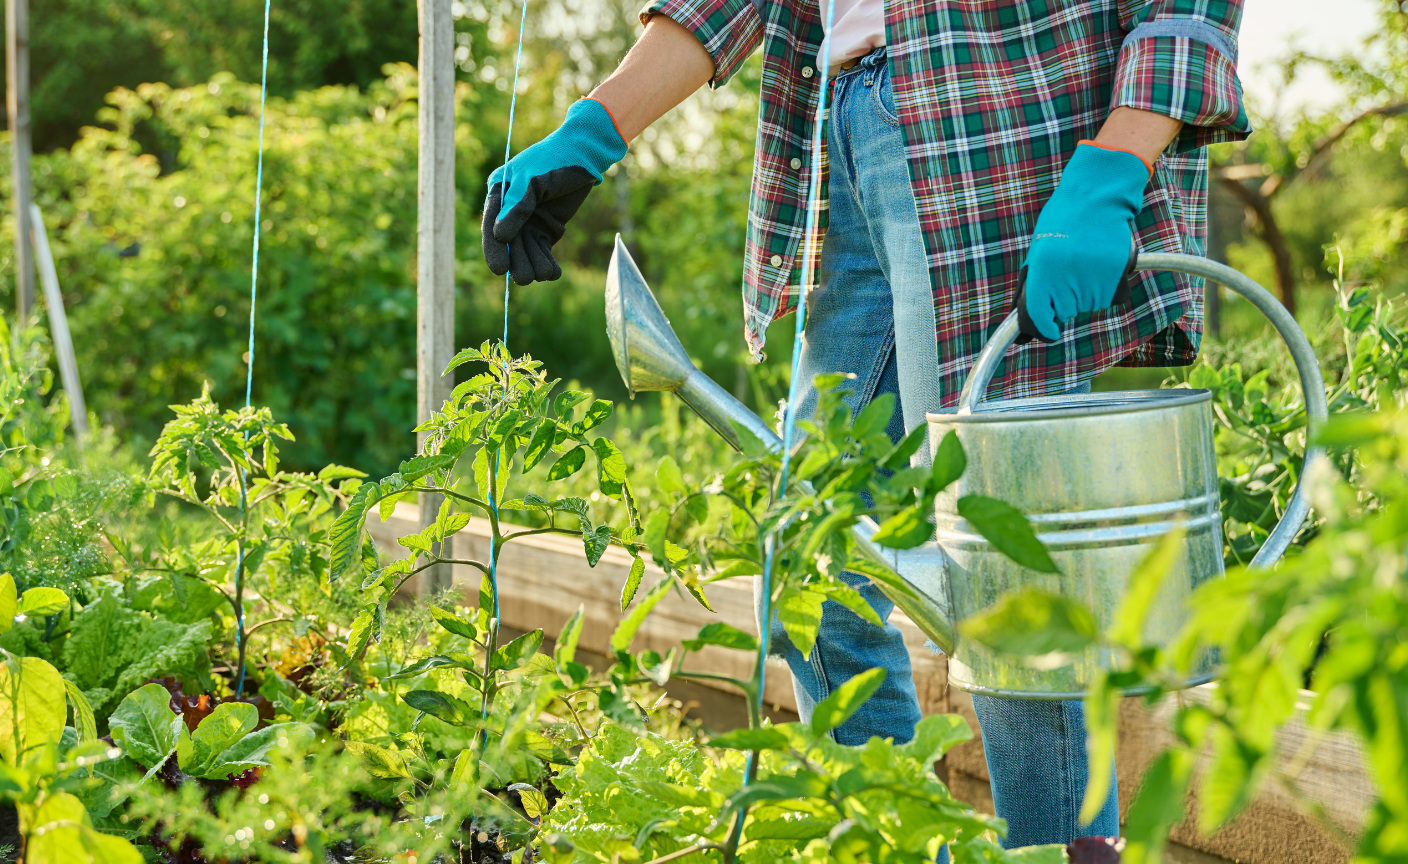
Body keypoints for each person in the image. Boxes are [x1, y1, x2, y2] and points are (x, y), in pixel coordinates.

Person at [480, 0, 1248, 847]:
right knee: (812, 560)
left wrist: (1114, 165)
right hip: (840, 130)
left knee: (1007, 601)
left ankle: (1058, 852)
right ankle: (890, 838)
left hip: (994, 135)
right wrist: (592, 130)